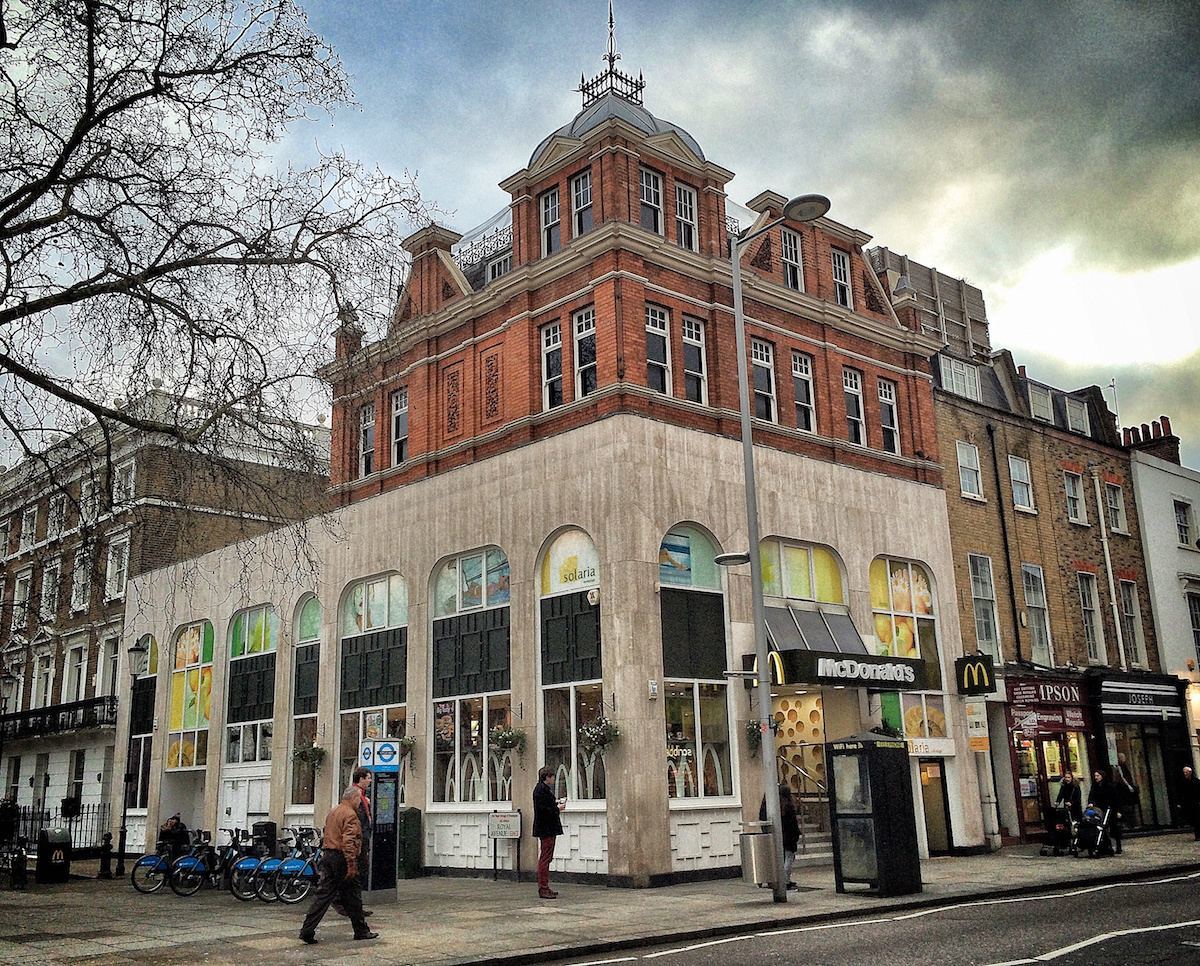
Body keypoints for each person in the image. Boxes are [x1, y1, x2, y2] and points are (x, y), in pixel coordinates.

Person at [299, 789, 378, 945]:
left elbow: (326, 832)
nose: (360, 803)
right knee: (354, 896)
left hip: (328, 855)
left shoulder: (334, 811)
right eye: (359, 800)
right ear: (353, 799)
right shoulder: (350, 815)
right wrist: (351, 864)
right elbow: (348, 841)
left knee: (323, 896)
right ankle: (361, 931)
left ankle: (307, 930)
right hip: (342, 858)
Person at [759, 783, 801, 890]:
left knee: (780, 858)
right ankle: (784, 880)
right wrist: (796, 834)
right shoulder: (788, 805)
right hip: (788, 836)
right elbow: (792, 823)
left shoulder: (770, 805)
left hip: (777, 835)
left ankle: (774, 879)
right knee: (788, 857)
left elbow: (762, 818)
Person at [532, 765, 565, 899]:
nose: (553, 780)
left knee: (547, 857)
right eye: (552, 777)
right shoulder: (541, 790)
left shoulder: (542, 789)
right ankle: (543, 888)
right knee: (545, 858)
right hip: (546, 828)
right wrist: (558, 808)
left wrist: (555, 805)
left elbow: (546, 807)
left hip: (547, 828)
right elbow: (545, 810)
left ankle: (545, 887)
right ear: (547, 777)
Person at [1086, 768, 1122, 855]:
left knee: (1114, 828)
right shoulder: (1094, 786)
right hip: (1099, 809)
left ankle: (1118, 846)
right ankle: (1105, 845)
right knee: (1101, 826)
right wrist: (1091, 803)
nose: (1096, 777)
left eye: (1097, 776)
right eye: (1095, 776)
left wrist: (1118, 811)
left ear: (1102, 776)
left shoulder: (1109, 786)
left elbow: (1116, 799)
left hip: (1110, 809)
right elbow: (1091, 796)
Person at [1114, 752, 1139, 828]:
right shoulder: (1120, 767)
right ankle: (1130, 823)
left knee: (1128, 807)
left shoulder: (1123, 766)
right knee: (1127, 807)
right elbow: (1123, 777)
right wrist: (1129, 786)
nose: (1125, 759)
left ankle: (1131, 823)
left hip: (1125, 788)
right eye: (1123, 757)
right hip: (1124, 789)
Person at [1180, 765, 1200, 841]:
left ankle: (1197, 835)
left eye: (1186, 772)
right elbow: (1181, 793)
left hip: (1196, 803)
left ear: (1190, 772)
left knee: (1197, 820)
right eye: (1184, 772)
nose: (1185, 774)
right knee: (1193, 819)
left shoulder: (1196, 781)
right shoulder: (1182, 782)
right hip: (1188, 803)